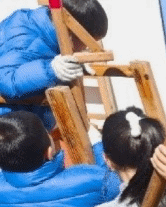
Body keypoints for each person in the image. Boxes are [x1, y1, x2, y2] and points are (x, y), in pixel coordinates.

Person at [0, 0, 108, 130]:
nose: (85, 48)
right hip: (9, 127)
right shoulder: (23, 34)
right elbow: (7, 80)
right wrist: (51, 70)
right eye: (86, 42)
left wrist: (73, 66)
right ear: (71, 30)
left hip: (30, 123)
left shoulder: (52, 35)